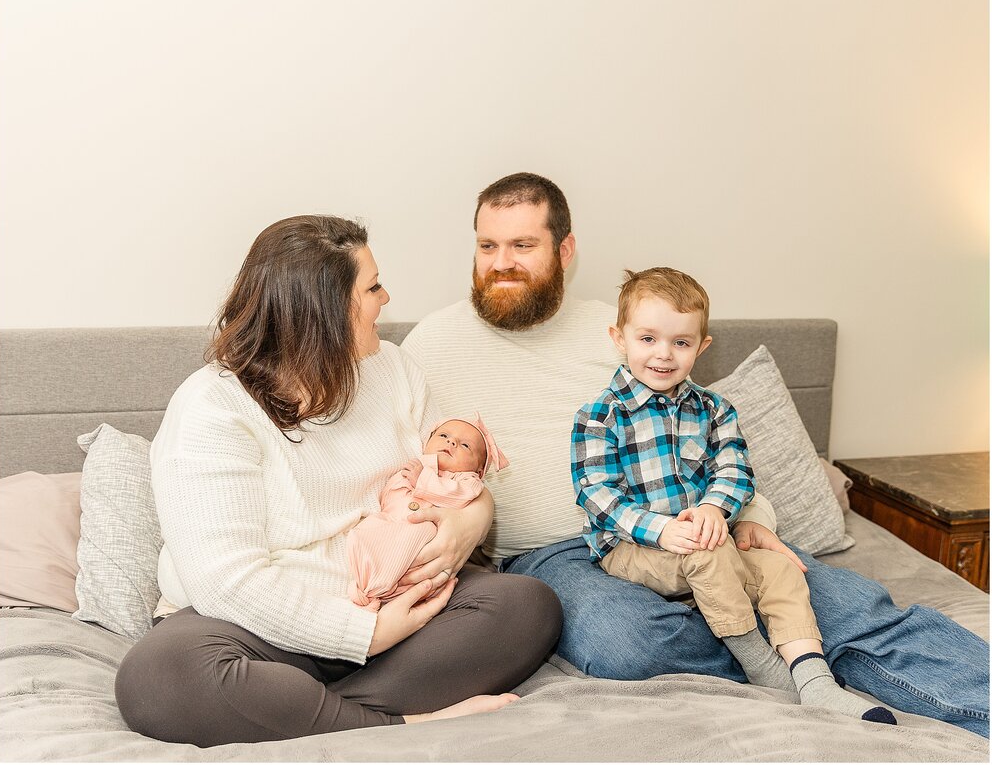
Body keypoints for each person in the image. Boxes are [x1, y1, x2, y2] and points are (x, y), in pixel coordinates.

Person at [400, 172, 990, 738]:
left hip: (690, 523)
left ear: (565, 248)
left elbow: (702, 435)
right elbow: (400, 471)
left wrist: (750, 520)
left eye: (523, 244)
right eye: (487, 245)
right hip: (548, 556)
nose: (502, 262)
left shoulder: (633, 330)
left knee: (847, 602)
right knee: (623, 641)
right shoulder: (430, 344)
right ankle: (788, 660)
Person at [114, 215, 562, 747]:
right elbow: (225, 582)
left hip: (392, 597)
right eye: (372, 287)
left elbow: (451, 474)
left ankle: (307, 713)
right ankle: (398, 724)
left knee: (527, 606)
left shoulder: (393, 368)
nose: (387, 297)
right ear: (321, 311)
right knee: (160, 678)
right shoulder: (213, 407)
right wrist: (366, 635)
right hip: (256, 624)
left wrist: (473, 519)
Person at [573, 265, 895, 725]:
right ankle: (760, 665)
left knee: (780, 568)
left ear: (702, 347)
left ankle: (814, 679)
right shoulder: (600, 416)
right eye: (648, 339)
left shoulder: (714, 409)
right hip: (631, 547)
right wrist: (663, 530)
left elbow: (736, 471)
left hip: (705, 538)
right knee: (711, 549)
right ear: (619, 338)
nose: (663, 355)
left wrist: (712, 508)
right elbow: (596, 494)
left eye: (681, 342)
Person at [348, 415, 508, 609]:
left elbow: (457, 495)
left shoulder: (467, 481)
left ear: (479, 470)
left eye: (465, 446)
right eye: (443, 435)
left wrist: (422, 480)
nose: (452, 442)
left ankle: (378, 591)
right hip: (392, 526)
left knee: (419, 533)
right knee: (365, 531)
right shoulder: (417, 465)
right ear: (427, 442)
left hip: (425, 541)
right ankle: (367, 589)